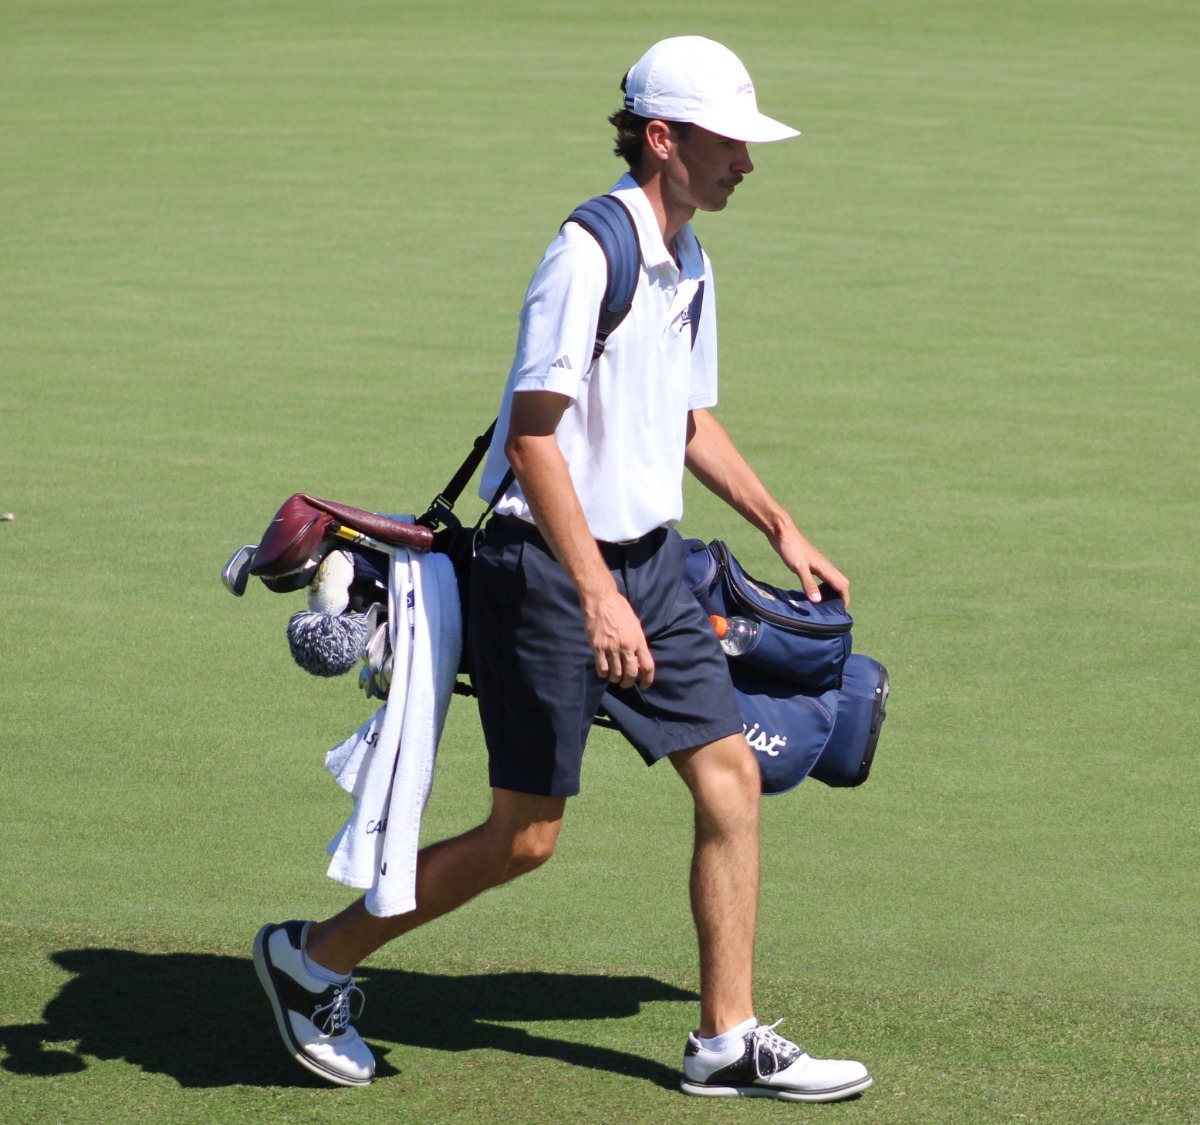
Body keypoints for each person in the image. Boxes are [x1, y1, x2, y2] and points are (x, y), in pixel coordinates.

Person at [252, 36, 871, 1103]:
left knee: (729, 781)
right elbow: (533, 438)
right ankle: (309, 961)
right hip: (542, 570)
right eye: (727, 142)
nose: (746, 164)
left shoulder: (688, 258)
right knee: (524, 837)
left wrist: (780, 523)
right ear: (664, 137)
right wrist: (592, 595)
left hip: (650, 565)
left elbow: (683, 418)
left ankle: (723, 1039)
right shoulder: (589, 253)